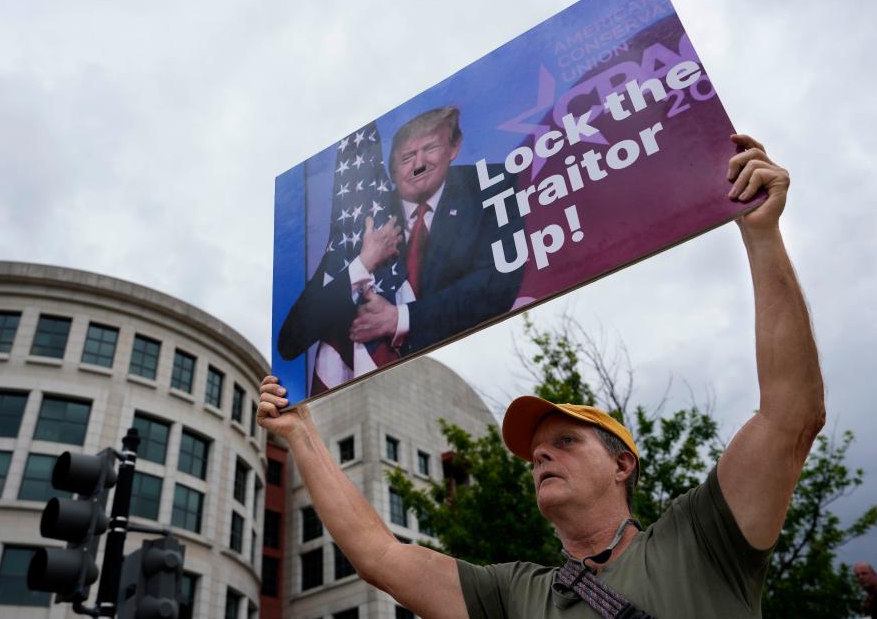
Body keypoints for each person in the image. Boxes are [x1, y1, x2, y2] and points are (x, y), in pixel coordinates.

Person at [259, 133, 825, 619]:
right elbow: (380, 556)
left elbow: (789, 415)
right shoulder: (511, 596)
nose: (542, 457)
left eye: (565, 441)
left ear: (623, 464)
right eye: (537, 453)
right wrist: (302, 434)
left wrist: (761, 234)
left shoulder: (702, 540)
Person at [277, 107, 524, 376]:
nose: (418, 164)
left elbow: (498, 285)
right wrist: (363, 263)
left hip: (481, 366)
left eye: (430, 148)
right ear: (392, 168)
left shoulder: (489, 186)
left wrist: (399, 318)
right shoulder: (366, 224)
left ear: (453, 148)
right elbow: (290, 340)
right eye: (407, 157)